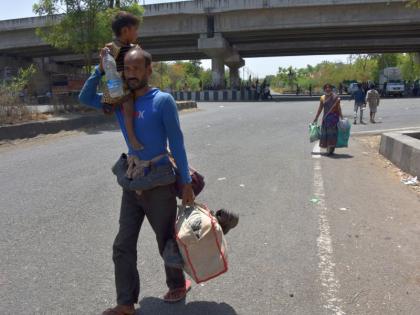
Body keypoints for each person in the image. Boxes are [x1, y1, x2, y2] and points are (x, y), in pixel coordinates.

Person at [79, 47, 195, 315]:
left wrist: (186, 181)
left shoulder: (162, 101)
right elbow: (85, 97)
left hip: (159, 181)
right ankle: (125, 303)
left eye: (136, 68)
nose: (131, 74)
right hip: (132, 181)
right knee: (123, 244)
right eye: (127, 69)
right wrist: (100, 68)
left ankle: (177, 283)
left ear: (148, 70)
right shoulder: (119, 100)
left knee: (165, 239)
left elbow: (176, 142)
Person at [104, 11, 143, 151]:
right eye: (135, 30)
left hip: (131, 83)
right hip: (122, 85)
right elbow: (106, 69)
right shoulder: (112, 47)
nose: (137, 33)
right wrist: (103, 55)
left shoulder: (134, 47)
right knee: (128, 109)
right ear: (125, 31)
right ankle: (132, 138)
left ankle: (110, 103)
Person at [313, 83, 343, 156]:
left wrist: (341, 117)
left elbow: (339, 108)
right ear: (324, 89)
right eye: (326, 88)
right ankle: (329, 149)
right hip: (326, 119)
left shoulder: (336, 97)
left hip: (334, 119)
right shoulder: (322, 98)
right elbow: (320, 109)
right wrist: (316, 118)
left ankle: (330, 150)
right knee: (326, 134)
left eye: (329, 87)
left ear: (331, 89)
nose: (327, 89)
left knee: (332, 134)